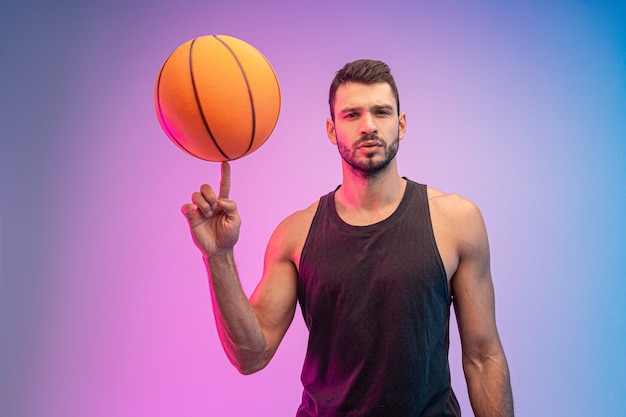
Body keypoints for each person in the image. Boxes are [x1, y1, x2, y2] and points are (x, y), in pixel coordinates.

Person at [181, 59, 514, 417]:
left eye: (381, 112)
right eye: (352, 115)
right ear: (331, 129)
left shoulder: (456, 222)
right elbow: (250, 355)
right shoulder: (296, 234)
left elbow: (483, 356)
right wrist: (219, 256)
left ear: (401, 125)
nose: (368, 126)